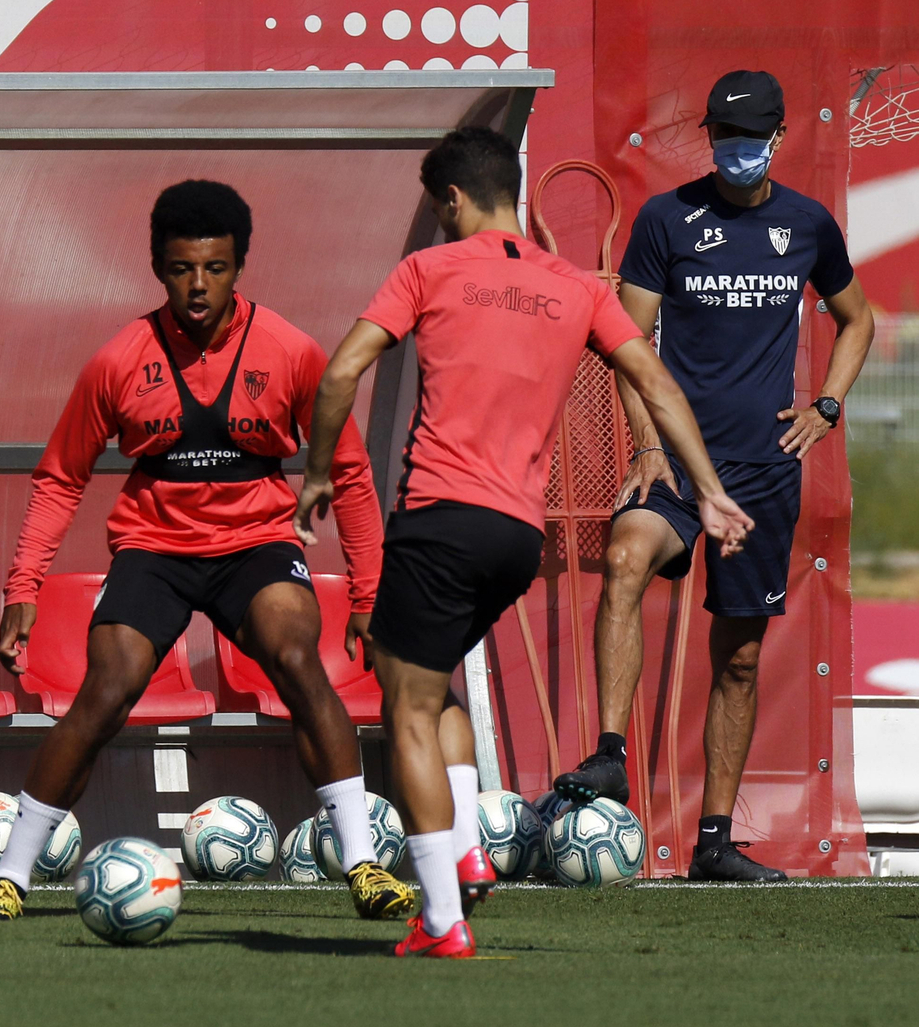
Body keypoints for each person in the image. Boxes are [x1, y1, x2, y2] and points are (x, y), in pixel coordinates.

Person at [297, 126, 754, 957]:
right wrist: (712, 493)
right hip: (515, 537)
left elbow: (339, 372)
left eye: (440, 209)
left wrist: (320, 472)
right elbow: (653, 380)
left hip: (439, 519)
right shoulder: (574, 284)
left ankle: (441, 921)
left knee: (402, 706)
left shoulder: (428, 269)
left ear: (452, 200)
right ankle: (468, 849)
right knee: (434, 692)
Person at [0, 180, 416, 925]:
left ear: (239, 265)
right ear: (157, 268)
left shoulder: (292, 352)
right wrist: (22, 586)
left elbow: (353, 476)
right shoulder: (118, 360)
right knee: (104, 692)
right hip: (154, 548)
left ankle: (364, 867)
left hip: (257, 543)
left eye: (214, 268)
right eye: (180, 269)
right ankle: (10, 877)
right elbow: (59, 477)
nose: (198, 286)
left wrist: (368, 595)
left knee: (300, 662)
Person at [551, 71, 874, 881]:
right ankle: (612, 756)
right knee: (626, 557)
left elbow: (858, 317)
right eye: (722, 137)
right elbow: (623, 341)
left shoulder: (807, 224)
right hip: (673, 463)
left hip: (763, 471)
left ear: (776, 136)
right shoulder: (666, 220)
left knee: (736, 657)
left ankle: (715, 844)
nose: (734, 151)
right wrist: (647, 445)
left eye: (748, 138)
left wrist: (826, 406)